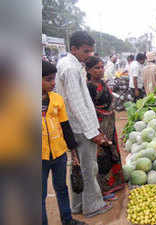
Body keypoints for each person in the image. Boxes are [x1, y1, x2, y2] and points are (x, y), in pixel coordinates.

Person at [55, 31, 112, 218]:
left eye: (91, 51)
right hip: (79, 127)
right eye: (86, 51)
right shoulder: (70, 69)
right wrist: (92, 131)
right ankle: (93, 206)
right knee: (88, 167)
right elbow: (76, 102)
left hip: (74, 125)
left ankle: (78, 205)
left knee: (78, 167)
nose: (90, 55)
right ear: (74, 49)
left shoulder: (70, 64)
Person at [42, 61, 87, 225]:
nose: (53, 83)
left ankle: (67, 220)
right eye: (48, 79)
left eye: (53, 79)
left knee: (62, 188)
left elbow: (65, 126)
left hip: (59, 154)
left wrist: (73, 153)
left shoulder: (57, 99)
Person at [86, 56, 125, 201]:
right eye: (97, 68)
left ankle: (116, 183)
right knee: (102, 156)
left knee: (113, 151)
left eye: (102, 67)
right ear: (88, 70)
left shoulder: (103, 83)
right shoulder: (89, 87)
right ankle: (104, 189)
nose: (101, 70)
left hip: (110, 125)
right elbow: (89, 108)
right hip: (99, 125)